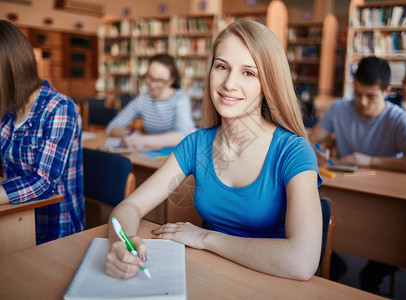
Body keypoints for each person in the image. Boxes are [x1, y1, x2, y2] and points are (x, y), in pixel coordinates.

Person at [105, 19, 323, 281]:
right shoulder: (196, 144)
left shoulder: (293, 151)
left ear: (268, 83)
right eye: (222, 67)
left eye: (248, 73)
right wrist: (122, 243)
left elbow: (301, 262)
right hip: (212, 277)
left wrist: (206, 237)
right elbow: (129, 207)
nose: (229, 83)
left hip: (273, 283)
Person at [309, 56, 406, 294]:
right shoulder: (340, 108)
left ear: (386, 91)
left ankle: (370, 277)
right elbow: (311, 138)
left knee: (382, 259)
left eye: (371, 95)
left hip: (389, 207)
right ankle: (332, 263)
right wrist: (315, 152)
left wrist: (369, 160)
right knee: (319, 235)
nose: (362, 102)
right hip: (346, 195)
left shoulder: (400, 119)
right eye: (357, 93)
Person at [0, 20, 85, 244]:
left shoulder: (60, 108)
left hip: (55, 232)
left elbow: (42, 183)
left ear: (8, 74)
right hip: (16, 217)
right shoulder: (9, 110)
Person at [106, 54, 196, 148]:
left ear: (171, 81)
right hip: (151, 154)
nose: (152, 84)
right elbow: (112, 127)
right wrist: (129, 135)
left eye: (159, 80)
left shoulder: (180, 99)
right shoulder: (143, 99)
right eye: (149, 77)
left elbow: (185, 135)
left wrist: (141, 139)